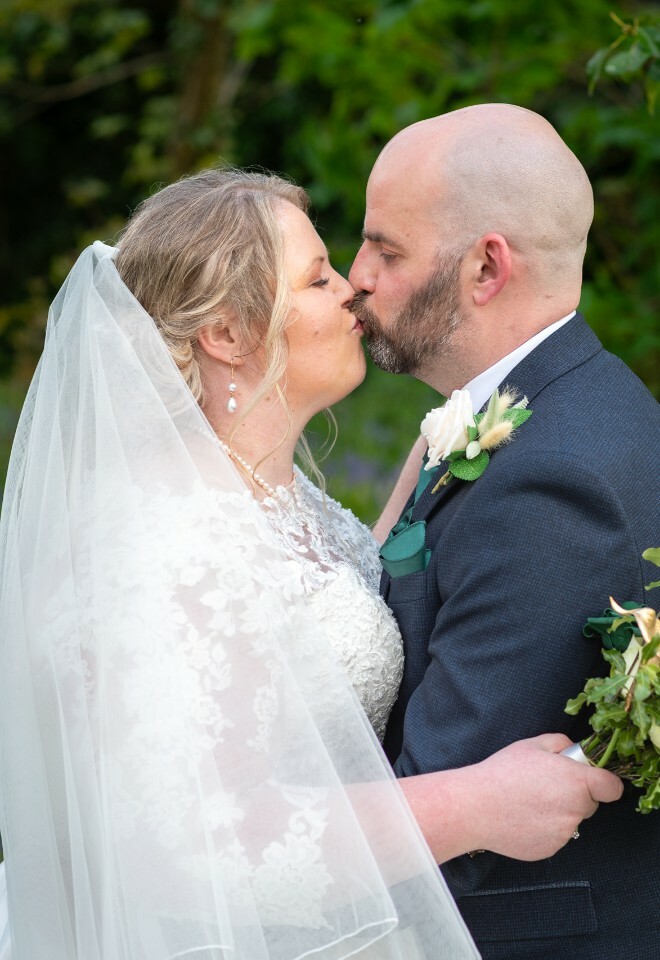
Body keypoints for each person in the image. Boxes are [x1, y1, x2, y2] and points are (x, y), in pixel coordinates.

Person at [0, 169, 621, 960]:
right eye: (319, 277)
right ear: (225, 334)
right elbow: (201, 847)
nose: (353, 291)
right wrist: (477, 804)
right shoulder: (161, 544)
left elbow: (310, 612)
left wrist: (419, 489)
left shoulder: (277, 499)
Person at [349, 104, 660, 959]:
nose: (355, 277)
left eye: (386, 249)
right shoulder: (568, 406)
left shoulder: (552, 481)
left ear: (487, 266)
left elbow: (446, 824)